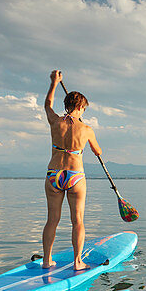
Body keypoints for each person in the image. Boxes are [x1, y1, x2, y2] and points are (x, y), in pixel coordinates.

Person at [41, 70, 102, 271]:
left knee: (52, 220)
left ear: (66, 106)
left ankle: (47, 260)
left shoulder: (55, 121)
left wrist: (54, 82)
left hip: (54, 174)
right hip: (75, 176)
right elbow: (97, 150)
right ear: (81, 107)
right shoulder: (87, 129)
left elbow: (47, 105)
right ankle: (77, 262)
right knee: (77, 221)